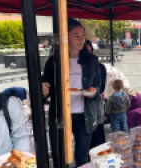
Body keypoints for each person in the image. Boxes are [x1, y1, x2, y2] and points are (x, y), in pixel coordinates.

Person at [42, 19, 101, 167]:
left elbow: (98, 85)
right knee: (60, 157)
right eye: (76, 35)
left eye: (83, 35)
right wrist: (43, 91)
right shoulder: (54, 62)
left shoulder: (92, 60)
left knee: (82, 157)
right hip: (60, 115)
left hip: (84, 115)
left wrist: (94, 91)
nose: (82, 39)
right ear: (65, 37)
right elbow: (44, 90)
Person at [84, 40, 106, 149]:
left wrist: (93, 90)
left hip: (95, 105)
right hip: (82, 109)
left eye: (90, 52)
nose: (88, 55)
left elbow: (101, 87)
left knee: (98, 134)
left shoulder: (99, 67)